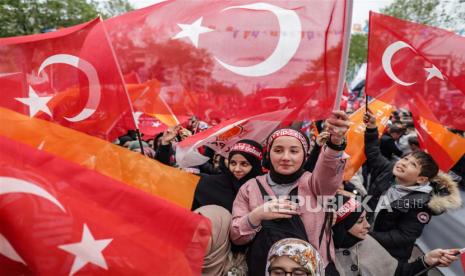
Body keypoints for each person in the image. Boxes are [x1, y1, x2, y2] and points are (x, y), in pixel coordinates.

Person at [230, 111, 350, 275]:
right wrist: (256, 216)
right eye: (278, 150)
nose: (286, 157)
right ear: (268, 154)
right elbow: (237, 236)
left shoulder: (316, 185)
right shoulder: (250, 187)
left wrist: (335, 143)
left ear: (305, 155)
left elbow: (328, 172)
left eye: (294, 151)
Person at [363, 110, 462, 261]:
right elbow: (373, 153)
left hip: (387, 256)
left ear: (422, 179)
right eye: (406, 159)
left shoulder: (422, 203)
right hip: (365, 239)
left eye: (412, 165)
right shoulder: (389, 170)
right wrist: (371, 129)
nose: (403, 163)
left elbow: (404, 236)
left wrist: (367, 236)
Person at [332, 195, 460, 276]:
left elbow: (399, 272)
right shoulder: (321, 255)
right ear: (342, 226)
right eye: (360, 221)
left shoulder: (369, 241)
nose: (368, 225)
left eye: (366, 218)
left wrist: (426, 260)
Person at [192, 139, 264, 213]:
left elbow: (273, 220)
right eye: (233, 163)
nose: (237, 169)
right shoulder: (208, 184)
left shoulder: (267, 187)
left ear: (255, 165)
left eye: (244, 164)